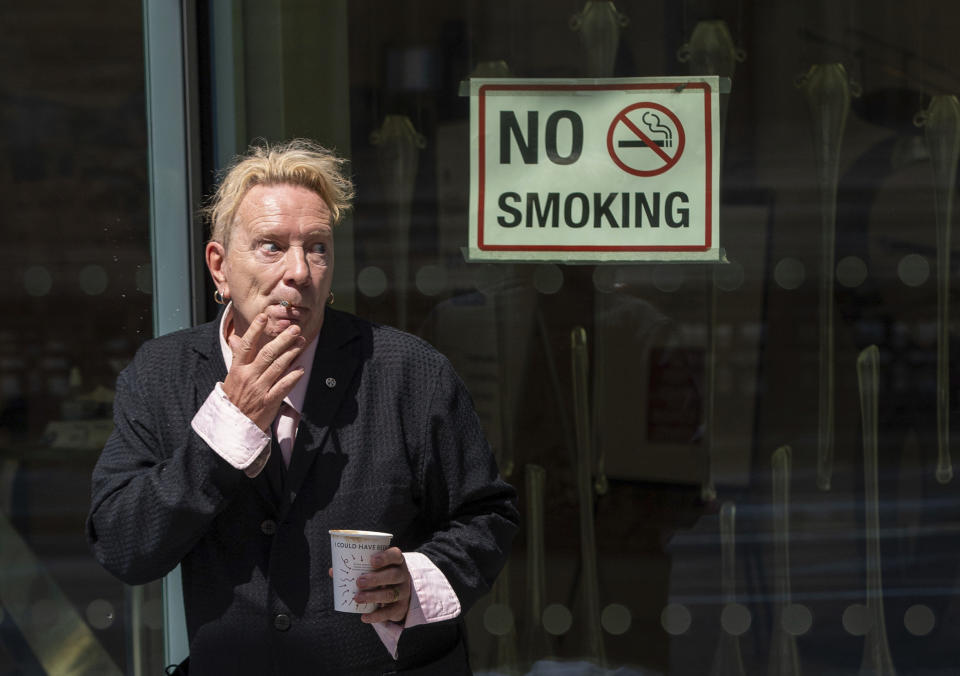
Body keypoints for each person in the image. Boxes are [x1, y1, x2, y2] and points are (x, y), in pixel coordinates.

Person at [86, 139, 519, 675]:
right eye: (272, 246)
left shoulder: (408, 371)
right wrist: (227, 428)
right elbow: (123, 545)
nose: (299, 271)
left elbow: (488, 515)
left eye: (317, 247)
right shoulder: (162, 374)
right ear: (219, 267)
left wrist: (420, 580)